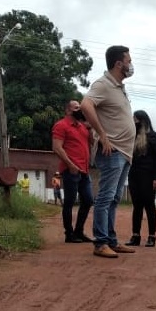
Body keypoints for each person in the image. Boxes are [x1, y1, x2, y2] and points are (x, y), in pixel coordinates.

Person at [80, 45, 137, 259]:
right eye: (129, 61)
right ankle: (101, 242)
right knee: (105, 198)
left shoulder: (119, 87)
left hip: (124, 153)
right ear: (118, 64)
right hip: (112, 151)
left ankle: (111, 240)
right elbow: (86, 105)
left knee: (113, 199)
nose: (131, 65)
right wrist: (102, 135)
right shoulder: (103, 85)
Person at [52, 100, 94, 244]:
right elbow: (57, 147)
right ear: (68, 111)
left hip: (84, 171)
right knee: (69, 202)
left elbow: (93, 142)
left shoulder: (83, 127)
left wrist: (90, 125)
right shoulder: (61, 125)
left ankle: (79, 231)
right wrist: (70, 165)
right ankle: (69, 233)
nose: (79, 110)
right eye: (76, 108)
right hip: (71, 170)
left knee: (88, 200)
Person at [125, 110, 156, 248]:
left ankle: (152, 236)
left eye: (135, 120)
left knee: (149, 205)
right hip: (134, 175)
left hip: (149, 177)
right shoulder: (132, 137)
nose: (133, 122)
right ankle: (135, 236)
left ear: (142, 121)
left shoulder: (154, 137)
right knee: (137, 206)